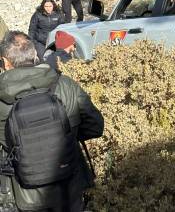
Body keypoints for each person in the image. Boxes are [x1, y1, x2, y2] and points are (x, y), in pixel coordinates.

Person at [0, 31, 104, 211]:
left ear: (5, 62)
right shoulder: (65, 85)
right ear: (35, 55)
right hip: (69, 186)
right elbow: (96, 126)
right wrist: (64, 135)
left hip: (22, 196)